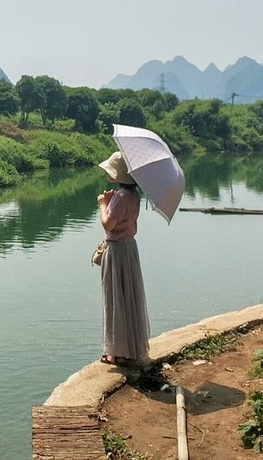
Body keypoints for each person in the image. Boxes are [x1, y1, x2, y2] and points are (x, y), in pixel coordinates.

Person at [95, 151, 151, 368]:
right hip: (129, 249)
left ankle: (117, 353)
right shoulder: (133, 196)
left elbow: (108, 224)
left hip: (117, 251)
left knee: (115, 298)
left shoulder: (120, 197)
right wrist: (111, 201)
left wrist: (102, 203)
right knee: (128, 297)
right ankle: (128, 349)